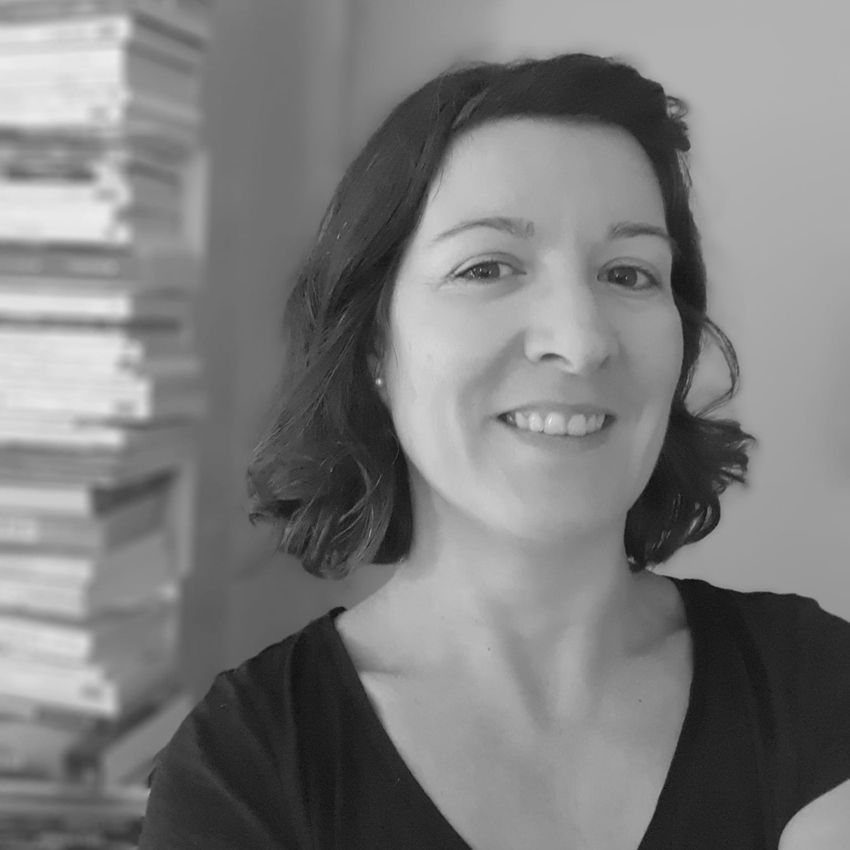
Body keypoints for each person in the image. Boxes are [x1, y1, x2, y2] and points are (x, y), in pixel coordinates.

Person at [139, 52, 850, 848]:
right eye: (487, 267)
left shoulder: (816, 686)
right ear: (374, 345)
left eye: (629, 273)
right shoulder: (248, 767)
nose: (580, 340)